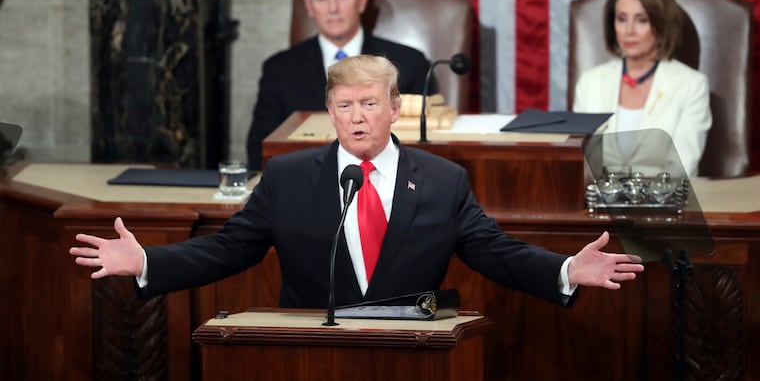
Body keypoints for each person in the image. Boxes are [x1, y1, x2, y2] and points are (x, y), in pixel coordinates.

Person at [71, 55, 643, 310]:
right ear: (330, 110)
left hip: (415, 352)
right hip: (311, 354)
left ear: (396, 107)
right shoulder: (290, 177)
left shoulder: (442, 181)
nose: (359, 116)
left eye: (371, 102)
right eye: (345, 105)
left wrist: (565, 269)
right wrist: (148, 262)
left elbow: (496, 252)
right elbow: (228, 249)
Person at [245, 0, 433, 171]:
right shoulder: (278, 70)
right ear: (309, 5)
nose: (333, 8)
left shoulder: (408, 64)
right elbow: (260, 150)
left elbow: (421, 149)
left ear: (361, 1)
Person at [572, 0, 712, 178]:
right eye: (621, 19)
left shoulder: (692, 85)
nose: (629, 30)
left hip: (662, 205)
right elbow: (580, 162)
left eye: (641, 20)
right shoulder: (590, 82)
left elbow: (681, 168)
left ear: (661, 25)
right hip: (599, 204)